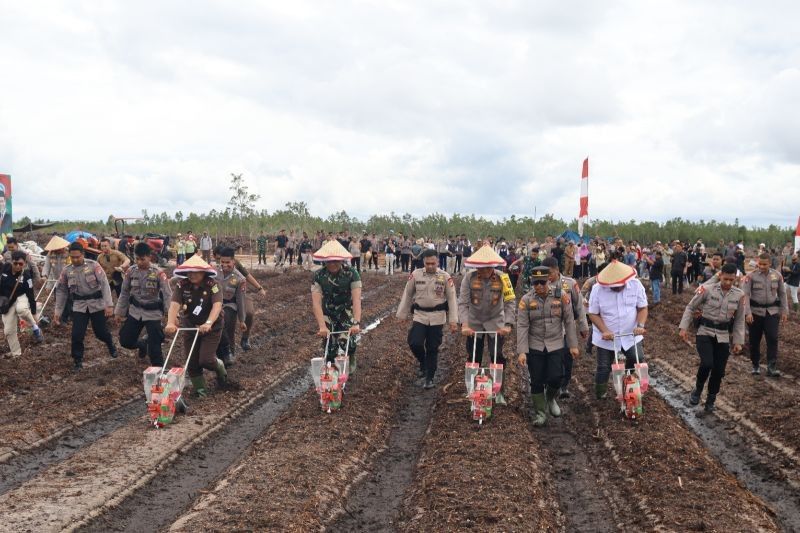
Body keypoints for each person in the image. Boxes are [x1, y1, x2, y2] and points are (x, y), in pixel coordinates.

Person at [517, 266, 579, 425]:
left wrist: (573, 345)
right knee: (536, 380)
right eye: (535, 283)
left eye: (542, 282)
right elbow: (522, 326)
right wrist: (522, 351)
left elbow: (569, 321)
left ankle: (550, 398)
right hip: (535, 344)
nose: (538, 286)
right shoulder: (526, 300)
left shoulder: (561, 296)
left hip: (555, 342)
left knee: (556, 376)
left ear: (548, 281)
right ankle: (540, 413)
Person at [679, 263, 745, 413]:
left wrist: (738, 341)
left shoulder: (739, 295)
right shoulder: (707, 289)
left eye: (731, 280)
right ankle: (698, 389)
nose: (728, 283)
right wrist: (684, 327)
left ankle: (711, 400)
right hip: (705, 332)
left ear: (735, 278)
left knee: (719, 371)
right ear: (720, 275)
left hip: (723, 335)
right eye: (725, 279)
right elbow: (691, 307)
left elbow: (740, 319)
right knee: (707, 363)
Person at [457, 245, 516, 405]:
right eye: (480, 268)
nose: (483, 272)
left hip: (496, 321)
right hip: (474, 321)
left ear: (493, 266)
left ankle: (499, 391)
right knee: (473, 356)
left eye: (487, 268)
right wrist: (464, 324)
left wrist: (508, 324)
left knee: (496, 356)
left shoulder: (504, 278)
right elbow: (462, 303)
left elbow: (510, 302)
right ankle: (472, 389)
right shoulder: (468, 278)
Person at [165, 255, 229, 397]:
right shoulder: (182, 285)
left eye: (195, 272)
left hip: (212, 327)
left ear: (203, 273)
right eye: (189, 272)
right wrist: (170, 322)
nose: (192, 275)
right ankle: (201, 392)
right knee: (192, 362)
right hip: (190, 326)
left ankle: (219, 366)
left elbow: (217, 306)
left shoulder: (213, 285)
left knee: (206, 360)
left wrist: (208, 323)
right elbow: (175, 304)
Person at [397, 249, 458, 388]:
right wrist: (402, 314)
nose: (430, 266)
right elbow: (407, 295)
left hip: (437, 317)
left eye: (433, 263)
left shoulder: (445, 276)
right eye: (427, 263)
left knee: (432, 347)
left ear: (437, 261)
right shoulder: (416, 275)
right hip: (420, 315)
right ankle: (423, 363)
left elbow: (452, 299)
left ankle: (429, 378)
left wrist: (453, 320)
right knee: (414, 342)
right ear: (423, 262)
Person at [587, 260, 648, 399]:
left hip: (631, 334)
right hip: (607, 335)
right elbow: (593, 313)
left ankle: (629, 384)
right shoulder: (597, 289)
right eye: (613, 287)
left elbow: (642, 307)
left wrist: (640, 326)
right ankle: (600, 393)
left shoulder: (636, 285)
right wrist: (604, 330)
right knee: (604, 367)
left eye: (620, 286)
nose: (617, 288)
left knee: (636, 357)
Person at [54, 242, 117, 371]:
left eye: (78, 257)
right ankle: (77, 361)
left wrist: (109, 305)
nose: (75, 260)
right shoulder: (67, 270)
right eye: (73, 257)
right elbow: (61, 291)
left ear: (83, 254)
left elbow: (104, 284)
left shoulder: (93, 266)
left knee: (100, 333)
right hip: (79, 305)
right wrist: (58, 311)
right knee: (77, 334)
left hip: (96, 304)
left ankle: (110, 342)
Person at [115, 242, 172, 366]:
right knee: (125, 341)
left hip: (153, 313)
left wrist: (171, 316)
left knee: (155, 347)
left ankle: (158, 373)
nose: (139, 262)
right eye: (137, 259)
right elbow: (124, 293)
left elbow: (168, 294)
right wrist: (119, 312)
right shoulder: (131, 271)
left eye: (142, 259)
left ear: (149, 257)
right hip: (135, 312)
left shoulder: (158, 273)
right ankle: (142, 344)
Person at [540, 257, 588, 398]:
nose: (548, 276)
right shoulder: (540, 285)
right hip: (548, 329)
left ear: (557, 270)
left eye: (550, 273)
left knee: (567, 357)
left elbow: (579, 305)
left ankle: (564, 386)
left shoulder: (570, 283)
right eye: (545, 273)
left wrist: (583, 326)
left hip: (567, 328)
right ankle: (549, 384)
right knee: (550, 358)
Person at [311, 240, 362, 372]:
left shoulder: (352, 273)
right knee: (329, 346)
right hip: (328, 311)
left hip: (346, 310)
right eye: (329, 261)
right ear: (325, 261)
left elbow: (356, 300)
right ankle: (330, 371)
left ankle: (351, 355)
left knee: (347, 343)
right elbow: (316, 303)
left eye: (336, 261)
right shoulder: (319, 275)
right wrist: (322, 326)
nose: (332, 264)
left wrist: (356, 322)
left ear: (341, 260)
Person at [742, 252, 789, 376]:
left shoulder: (777, 275)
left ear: (770, 263)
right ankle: (755, 365)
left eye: (765, 264)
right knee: (754, 340)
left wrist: (784, 310)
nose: (762, 266)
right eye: (760, 264)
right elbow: (745, 295)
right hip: (755, 313)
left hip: (772, 312)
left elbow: (782, 294)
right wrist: (747, 313)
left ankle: (771, 366)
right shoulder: (751, 276)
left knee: (773, 338)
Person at [1, 251, 44, 357]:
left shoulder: (26, 275)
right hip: (7, 301)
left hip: (22, 297)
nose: (18, 266)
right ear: (11, 261)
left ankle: (35, 327)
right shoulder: (4, 268)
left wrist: (34, 313)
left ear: (25, 263)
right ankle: (16, 354)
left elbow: (30, 295)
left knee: (21, 309)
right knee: (8, 330)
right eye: (15, 263)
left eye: (21, 264)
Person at [213, 247, 248, 368]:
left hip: (230, 305)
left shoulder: (239, 279)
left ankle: (230, 354)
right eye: (222, 262)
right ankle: (218, 356)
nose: (224, 265)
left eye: (228, 262)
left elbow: (241, 300)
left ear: (233, 261)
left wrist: (242, 320)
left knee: (227, 326)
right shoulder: (214, 272)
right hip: (214, 304)